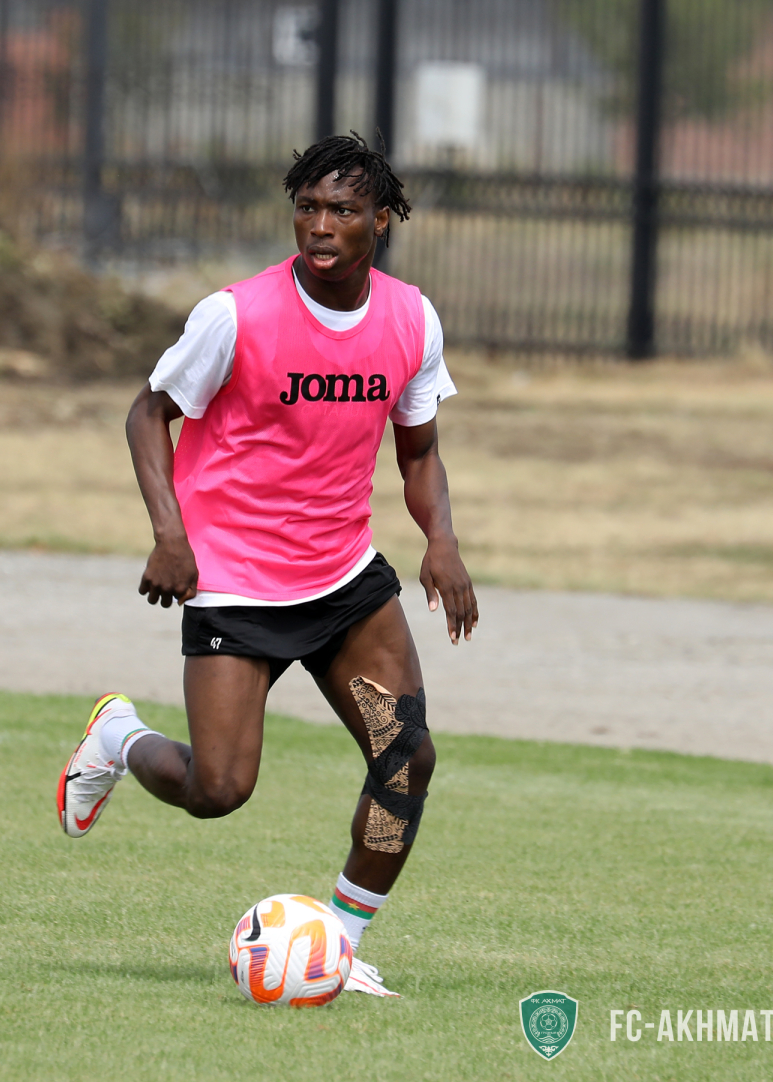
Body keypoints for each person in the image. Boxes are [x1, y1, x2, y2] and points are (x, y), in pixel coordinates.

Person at [56, 132, 477, 997]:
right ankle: (118, 737)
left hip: (344, 581)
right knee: (218, 788)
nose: (320, 226)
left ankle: (342, 945)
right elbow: (147, 412)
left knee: (406, 758)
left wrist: (442, 539)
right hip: (236, 582)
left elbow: (420, 450)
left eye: (343, 210)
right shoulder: (236, 315)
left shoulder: (412, 320)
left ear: (381, 220)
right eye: (308, 207)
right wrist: (170, 534)